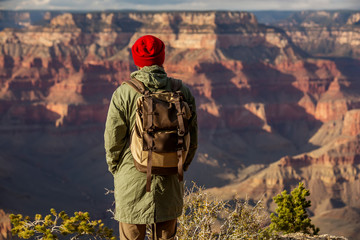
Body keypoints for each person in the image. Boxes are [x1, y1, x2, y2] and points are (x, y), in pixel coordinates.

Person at [104, 35, 198, 240]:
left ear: (137, 60)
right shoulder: (182, 91)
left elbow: (113, 141)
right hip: (170, 177)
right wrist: (180, 165)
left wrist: (117, 170)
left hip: (131, 178)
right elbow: (193, 140)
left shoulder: (123, 93)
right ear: (162, 58)